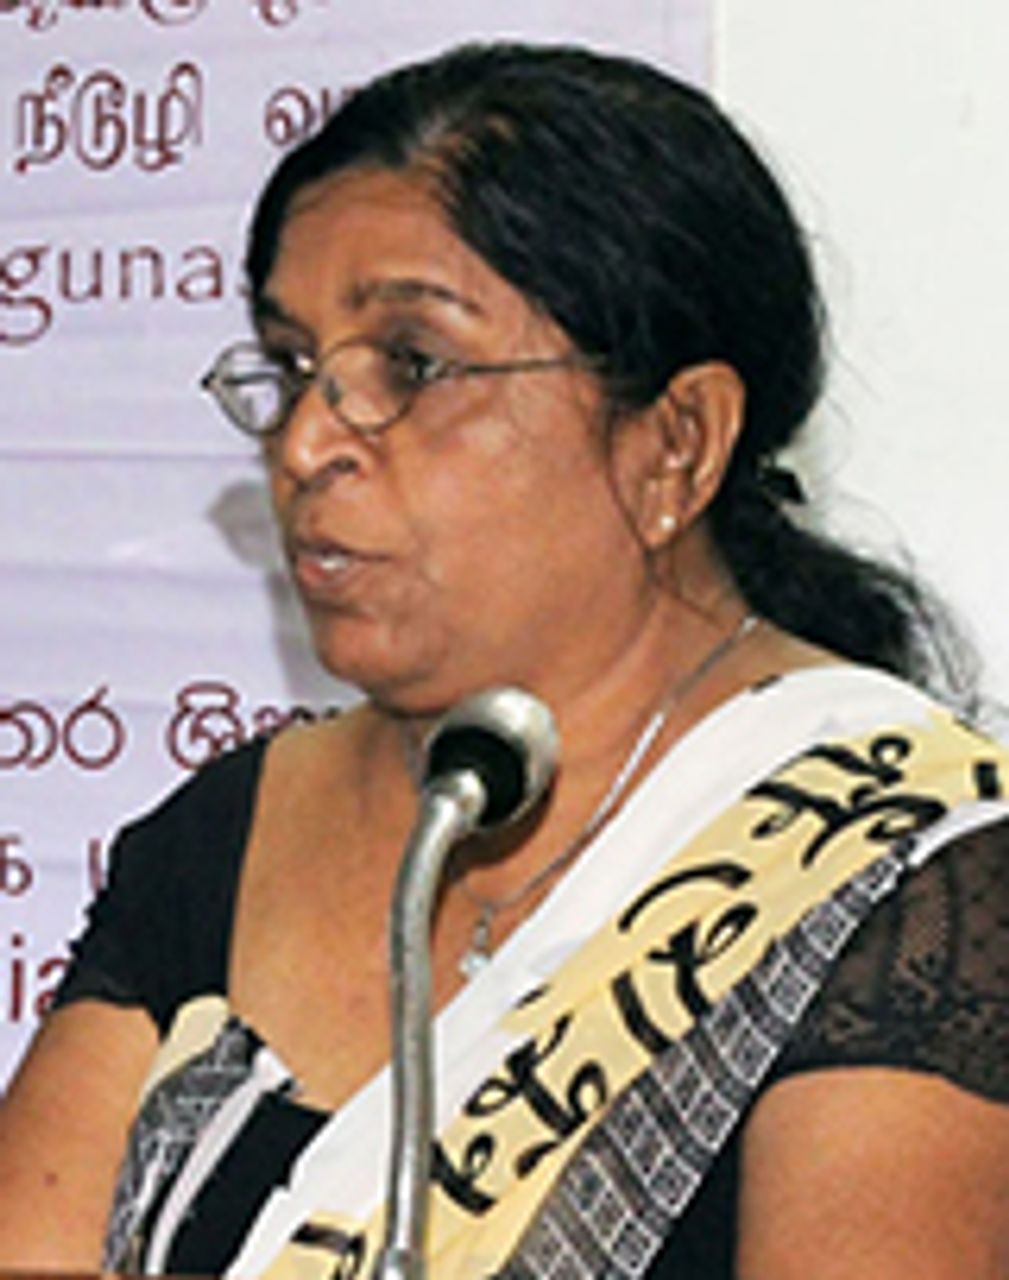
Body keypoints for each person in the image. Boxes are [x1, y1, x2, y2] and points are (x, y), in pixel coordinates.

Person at [0, 40, 1005, 1280]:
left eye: (411, 365)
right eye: (295, 365)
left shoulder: (902, 868)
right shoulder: (225, 831)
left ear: (676, 444)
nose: (306, 442)